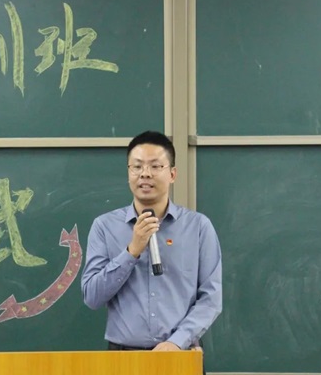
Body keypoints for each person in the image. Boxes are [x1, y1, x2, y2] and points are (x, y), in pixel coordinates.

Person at [81, 130, 222, 356]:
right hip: (123, 357)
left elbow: (211, 298)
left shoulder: (198, 227)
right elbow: (92, 297)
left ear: (172, 174)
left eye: (155, 166)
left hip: (180, 353)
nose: (145, 174)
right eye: (137, 167)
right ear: (128, 173)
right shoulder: (104, 226)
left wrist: (176, 342)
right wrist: (131, 251)